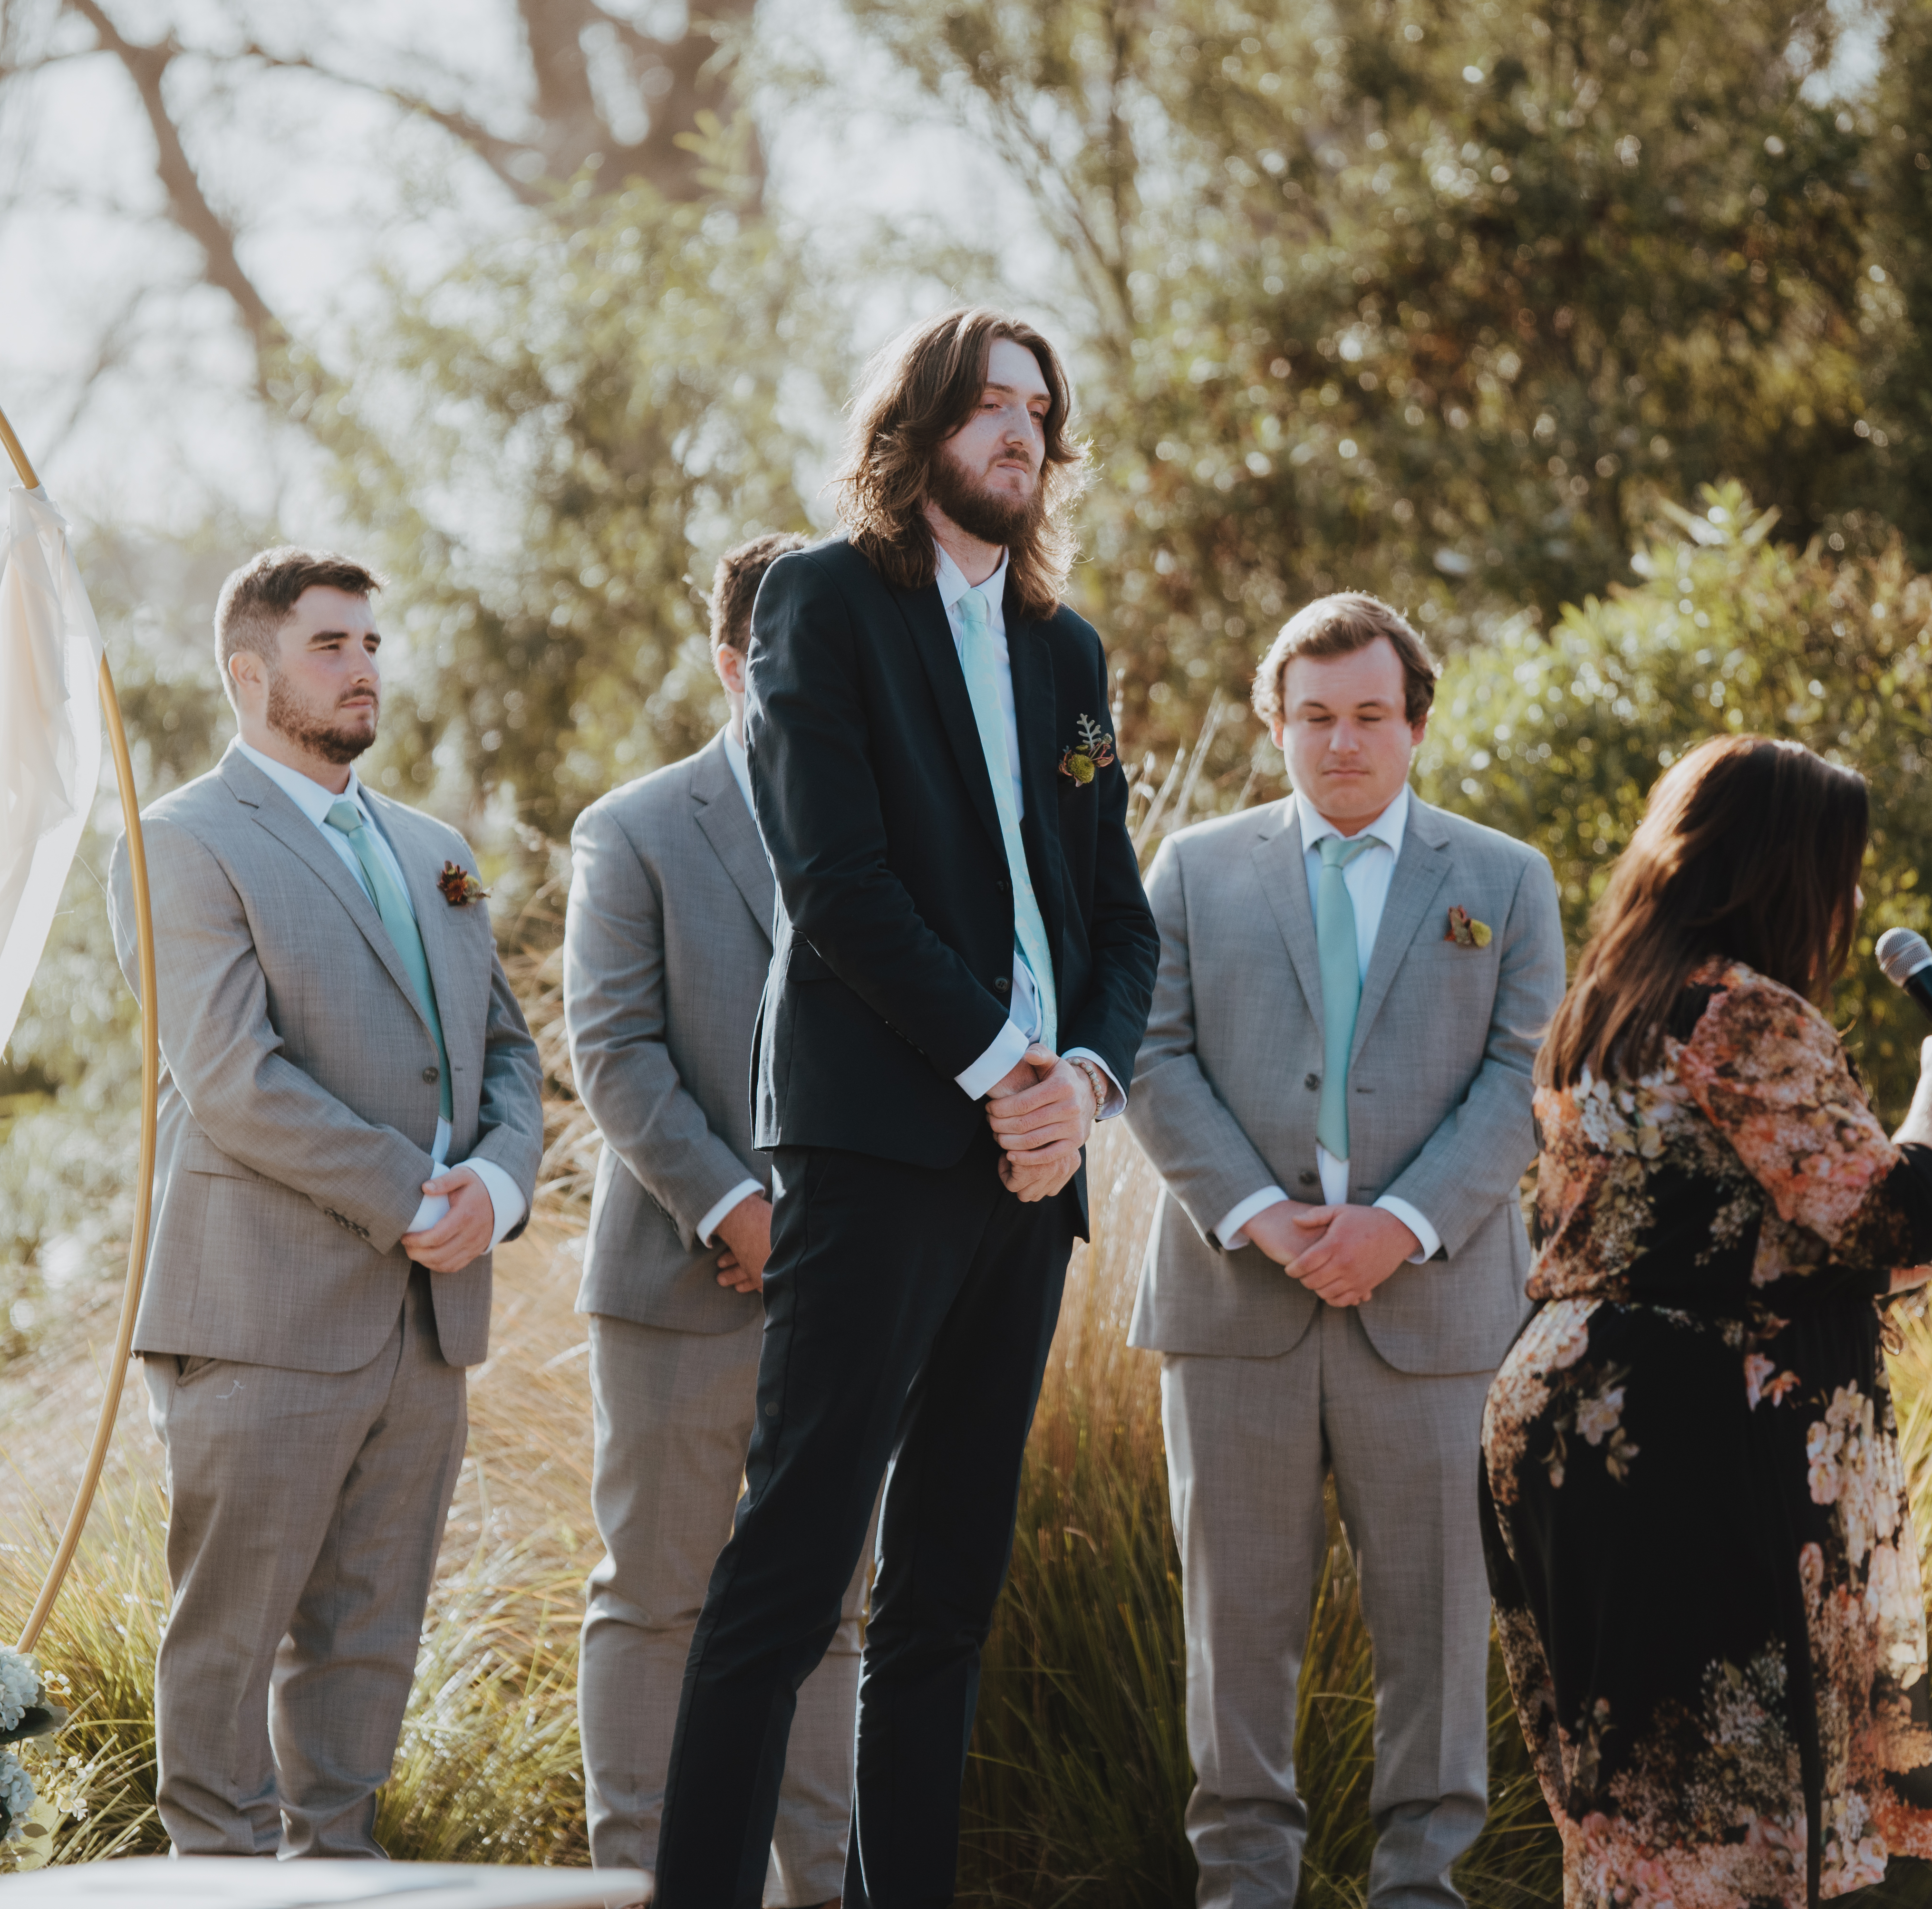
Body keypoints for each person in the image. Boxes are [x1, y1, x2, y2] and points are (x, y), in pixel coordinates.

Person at [652, 309, 1161, 1908]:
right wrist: (1000, 1067)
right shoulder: (820, 597)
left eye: (1037, 409)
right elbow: (839, 883)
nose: (1020, 431)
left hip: (1033, 1163)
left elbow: (1118, 922)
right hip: (879, 1146)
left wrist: (1076, 1078)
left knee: (948, 1593)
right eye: (987, 405)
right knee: (790, 1572)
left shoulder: (1062, 648)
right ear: (917, 427)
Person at [1478, 733, 1932, 1908]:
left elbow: (1702, 1227)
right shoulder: (1741, 1011)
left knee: (1628, 1809)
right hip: (1686, 1435)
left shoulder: (1603, 1010)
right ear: (1786, 867)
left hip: (1569, 1408)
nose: (1851, 899)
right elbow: (1887, 1211)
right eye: (1841, 867)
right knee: (1733, 1813)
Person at [1126, 594, 1566, 1908]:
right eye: (1313, 718)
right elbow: (1149, 1052)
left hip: (1435, 1320)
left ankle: (1419, 1893)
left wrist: (1403, 1225)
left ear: (1416, 725)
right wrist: (1263, 1217)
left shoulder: (1504, 880)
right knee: (1236, 1644)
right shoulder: (1194, 873)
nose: (1342, 743)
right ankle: (1243, 1893)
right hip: (1232, 1310)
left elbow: (1523, 1076)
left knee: (1437, 1641)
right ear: (1278, 726)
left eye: (1370, 716)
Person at [105, 547, 545, 1858]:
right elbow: (232, 1077)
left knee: (370, 1642)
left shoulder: (439, 851)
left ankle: (337, 1879)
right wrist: (416, 1194)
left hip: (428, 1322)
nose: (362, 669)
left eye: (368, 644)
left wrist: (499, 1189)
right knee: (230, 1640)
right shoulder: (178, 843)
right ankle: (220, 1886)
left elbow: (508, 1049)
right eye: (329, 647)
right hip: (261, 1315)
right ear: (250, 675)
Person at [565, 529, 863, 1905]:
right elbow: (615, 1050)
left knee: (832, 1613)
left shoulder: (892, 822)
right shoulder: (634, 828)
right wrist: (739, 1211)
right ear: (734, 660)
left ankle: (828, 1885)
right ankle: (645, 1885)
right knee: (659, 1598)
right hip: (683, 1288)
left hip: (858, 1288)